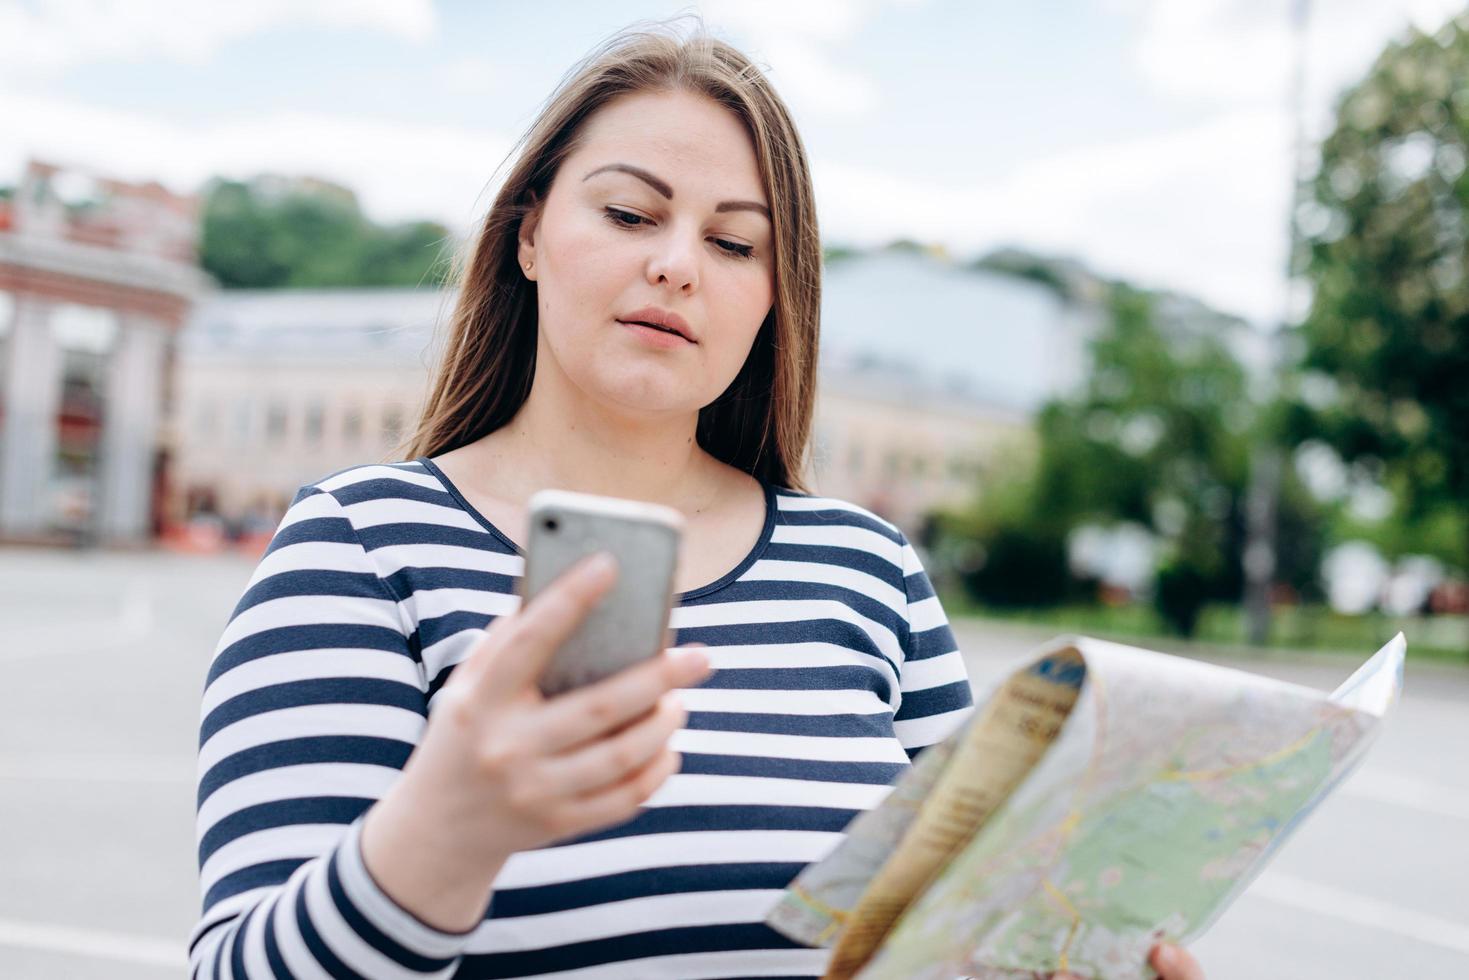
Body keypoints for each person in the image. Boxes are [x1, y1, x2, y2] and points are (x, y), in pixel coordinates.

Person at [188, 25, 1206, 980]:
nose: (675, 263)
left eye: (734, 244)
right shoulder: (361, 545)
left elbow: (943, 944)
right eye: (629, 214)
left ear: (773, 299)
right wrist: (443, 828)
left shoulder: (867, 571)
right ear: (528, 234)